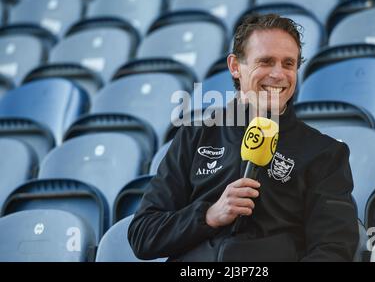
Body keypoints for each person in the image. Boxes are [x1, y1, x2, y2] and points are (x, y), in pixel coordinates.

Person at [128, 13, 359, 262]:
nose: (279, 74)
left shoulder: (324, 153)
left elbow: (333, 249)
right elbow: (143, 234)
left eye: (289, 64)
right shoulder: (194, 136)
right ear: (235, 67)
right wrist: (208, 215)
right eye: (266, 61)